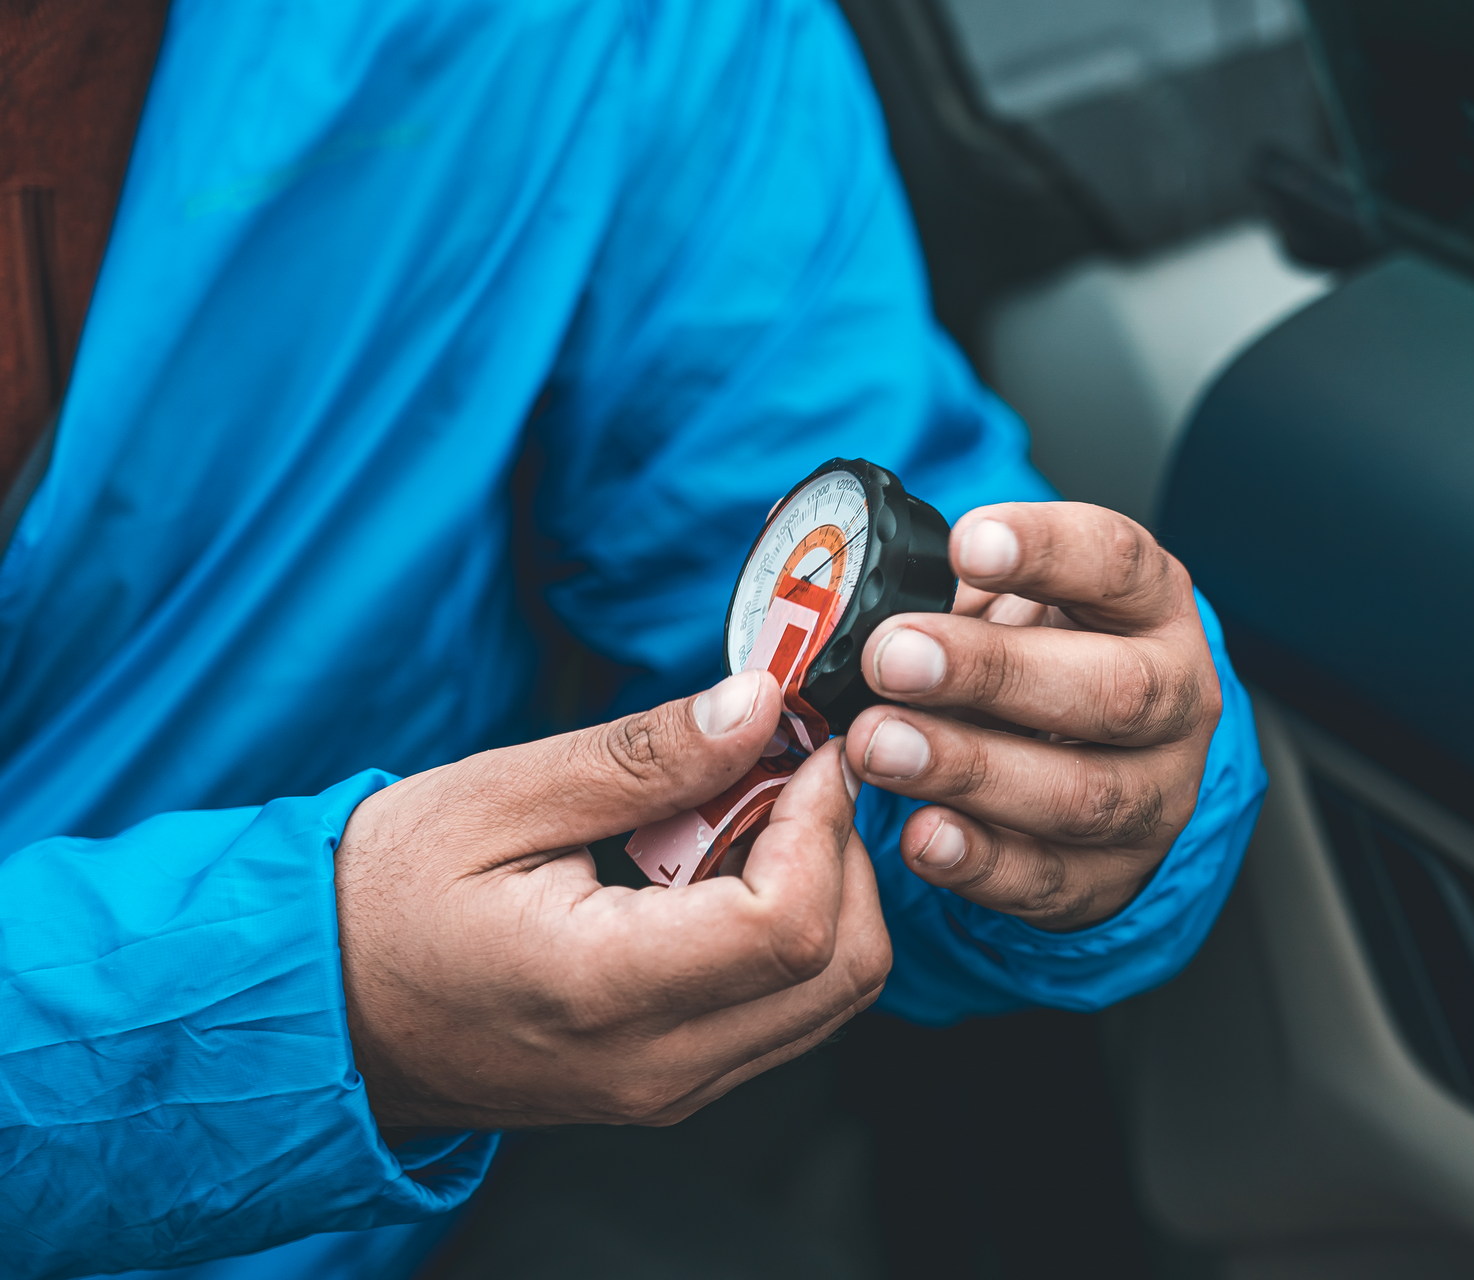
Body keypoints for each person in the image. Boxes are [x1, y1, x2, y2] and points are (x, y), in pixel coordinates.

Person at [0, 1, 1267, 1277]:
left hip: (401, 1208)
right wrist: (301, 1003)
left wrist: (1065, 760)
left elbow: (793, 558)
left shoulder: (606, 28)